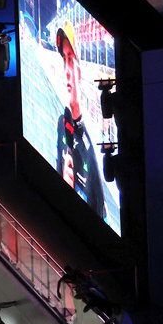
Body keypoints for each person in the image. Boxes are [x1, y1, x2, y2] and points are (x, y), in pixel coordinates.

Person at [54, 24, 104, 215]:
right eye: (64, 59)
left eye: (71, 58)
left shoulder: (92, 151)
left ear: (81, 71)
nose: (67, 70)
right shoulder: (61, 123)